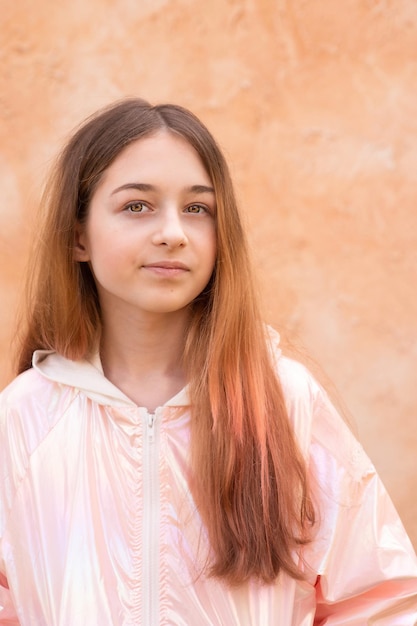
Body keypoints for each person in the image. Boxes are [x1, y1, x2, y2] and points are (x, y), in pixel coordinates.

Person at [0, 98, 416, 626]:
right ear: (78, 235)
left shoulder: (284, 403)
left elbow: (383, 604)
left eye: (198, 208)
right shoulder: (24, 417)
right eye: (137, 206)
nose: (173, 231)